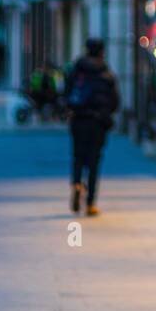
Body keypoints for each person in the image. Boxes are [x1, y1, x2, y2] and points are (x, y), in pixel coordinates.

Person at [64, 38, 119, 216]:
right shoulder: (106, 74)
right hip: (98, 123)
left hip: (78, 119)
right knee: (94, 161)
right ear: (101, 51)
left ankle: (77, 184)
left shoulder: (77, 70)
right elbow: (115, 102)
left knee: (78, 156)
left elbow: (66, 94)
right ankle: (90, 203)